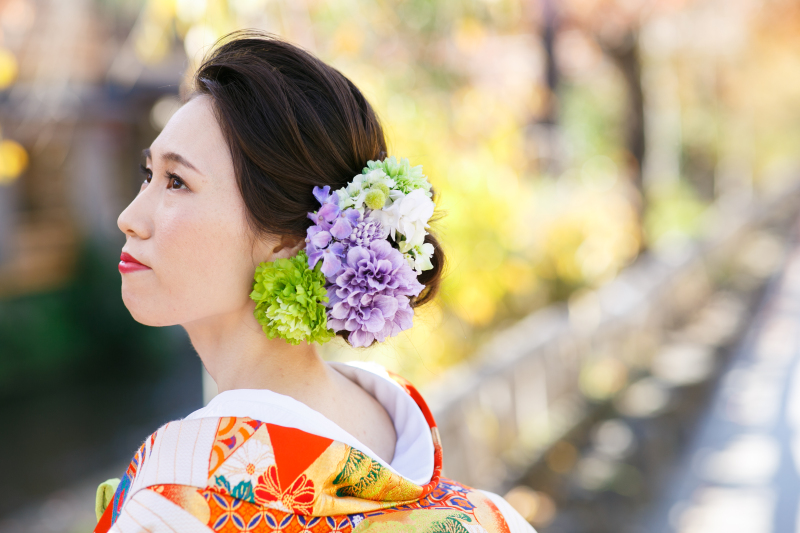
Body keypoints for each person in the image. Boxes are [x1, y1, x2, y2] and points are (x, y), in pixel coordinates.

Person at [98, 30, 535, 533]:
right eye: (147, 175)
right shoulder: (464, 495)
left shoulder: (175, 503)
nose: (129, 218)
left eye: (177, 182)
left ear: (288, 240)